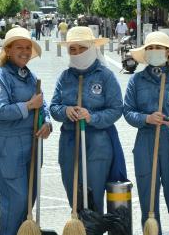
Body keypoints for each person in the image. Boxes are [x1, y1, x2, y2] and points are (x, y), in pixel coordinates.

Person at [0, 27, 52, 235]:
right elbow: (0, 111)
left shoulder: (29, 76)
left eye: (27, 48)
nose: (24, 52)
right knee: (15, 199)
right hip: (7, 143)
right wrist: (28, 106)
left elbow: (42, 104)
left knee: (29, 198)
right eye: (19, 47)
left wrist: (47, 123)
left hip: (32, 142)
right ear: (8, 50)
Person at [124, 32, 169, 235]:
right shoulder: (136, 80)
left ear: (168, 52)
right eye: (150, 48)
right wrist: (146, 118)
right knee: (148, 199)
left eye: (159, 48)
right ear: (146, 53)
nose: (155, 52)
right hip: (146, 142)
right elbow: (127, 111)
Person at [51, 27, 124, 213]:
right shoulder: (65, 77)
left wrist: (92, 116)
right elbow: (53, 107)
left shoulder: (105, 76)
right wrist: (65, 110)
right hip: (68, 141)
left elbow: (116, 109)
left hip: (98, 142)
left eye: (82, 48)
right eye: (72, 49)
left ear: (92, 48)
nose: (77, 53)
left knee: (93, 194)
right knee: (73, 192)